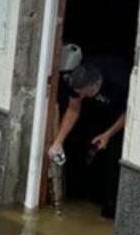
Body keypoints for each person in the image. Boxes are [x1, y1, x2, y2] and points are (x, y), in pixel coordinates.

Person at [49, 57, 131, 217]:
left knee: (113, 158)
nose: (80, 96)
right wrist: (58, 141)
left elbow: (130, 112)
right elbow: (73, 109)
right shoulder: (76, 83)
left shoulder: (119, 81)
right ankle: (82, 195)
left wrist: (108, 134)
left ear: (94, 85)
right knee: (83, 147)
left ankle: (110, 205)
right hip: (94, 116)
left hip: (119, 119)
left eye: (83, 93)